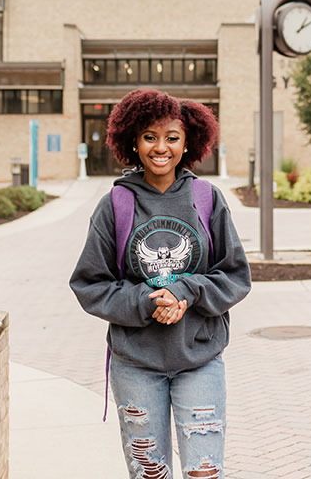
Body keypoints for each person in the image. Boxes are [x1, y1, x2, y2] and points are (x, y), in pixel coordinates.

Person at [70, 88, 251, 479]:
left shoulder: (206, 198)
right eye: (150, 137)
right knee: (150, 474)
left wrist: (186, 292)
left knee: (205, 472)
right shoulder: (115, 204)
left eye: (172, 137)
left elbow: (235, 274)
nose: (160, 147)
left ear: (188, 143)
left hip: (199, 360)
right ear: (133, 141)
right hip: (136, 365)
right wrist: (149, 301)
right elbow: (90, 283)